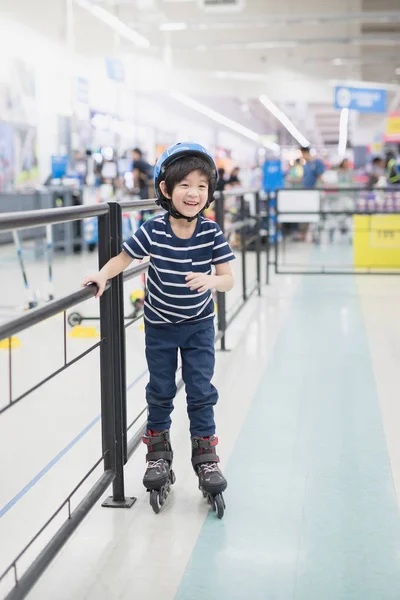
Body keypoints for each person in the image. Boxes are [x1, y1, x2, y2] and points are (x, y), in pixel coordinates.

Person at [82, 142, 235, 515]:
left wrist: (210, 281)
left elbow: (228, 279)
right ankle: (158, 453)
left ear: (209, 193)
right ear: (165, 190)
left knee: (201, 390)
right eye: (184, 184)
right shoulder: (153, 230)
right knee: (161, 389)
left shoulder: (211, 233)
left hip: (199, 326)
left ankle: (206, 455)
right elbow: (124, 257)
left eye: (202, 185)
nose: (194, 193)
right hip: (160, 327)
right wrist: (101, 277)